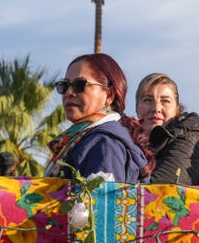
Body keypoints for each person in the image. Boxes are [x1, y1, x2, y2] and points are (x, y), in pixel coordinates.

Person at [45, 53, 154, 183]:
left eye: (79, 85)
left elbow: (101, 202)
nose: (69, 93)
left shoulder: (105, 143)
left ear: (109, 94)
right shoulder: (90, 138)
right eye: (64, 85)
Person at [135, 73, 199, 185]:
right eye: (148, 100)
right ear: (137, 108)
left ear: (177, 110)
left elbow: (154, 193)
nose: (156, 108)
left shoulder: (187, 142)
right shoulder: (135, 146)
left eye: (165, 101)